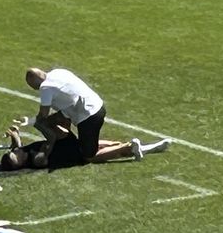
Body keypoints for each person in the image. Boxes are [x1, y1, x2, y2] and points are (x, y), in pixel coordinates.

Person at [21, 67, 170, 162]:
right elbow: (66, 106)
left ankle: (129, 147)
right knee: (87, 142)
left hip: (88, 117)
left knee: (88, 156)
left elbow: (44, 114)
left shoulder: (46, 88)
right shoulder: (59, 72)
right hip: (97, 106)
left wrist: (32, 121)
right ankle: (121, 145)